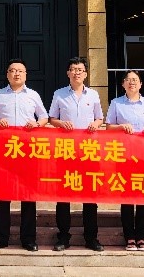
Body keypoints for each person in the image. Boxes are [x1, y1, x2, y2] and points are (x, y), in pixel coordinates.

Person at [0, 58, 49, 252]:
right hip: (5, 150)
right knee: (3, 195)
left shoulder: (33, 95)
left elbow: (44, 116)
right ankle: (0, 238)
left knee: (28, 195)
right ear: (7, 74)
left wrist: (36, 124)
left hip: (27, 150)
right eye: (12, 70)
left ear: (25, 75)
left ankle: (28, 239)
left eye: (20, 71)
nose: (16, 74)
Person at [48, 56, 104, 252]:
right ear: (68, 73)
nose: (76, 73)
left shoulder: (93, 95)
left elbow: (100, 118)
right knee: (63, 196)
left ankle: (91, 237)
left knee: (90, 196)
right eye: (73, 69)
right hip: (66, 150)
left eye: (80, 70)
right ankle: (63, 236)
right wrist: (61, 123)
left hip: (88, 150)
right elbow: (52, 118)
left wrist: (95, 124)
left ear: (86, 74)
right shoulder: (59, 94)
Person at [106, 70, 144, 252]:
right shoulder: (116, 103)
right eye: (128, 80)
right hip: (124, 155)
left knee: (143, 197)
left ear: (141, 84)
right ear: (123, 84)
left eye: (135, 80)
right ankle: (129, 236)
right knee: (127, 197)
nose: (132, 83)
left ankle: (142, 237)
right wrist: (121, 127)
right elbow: (108, 127)